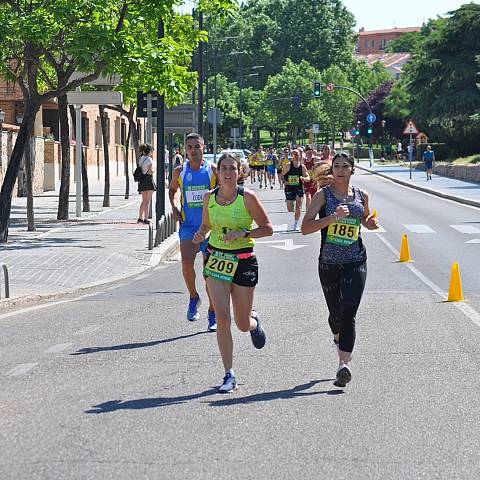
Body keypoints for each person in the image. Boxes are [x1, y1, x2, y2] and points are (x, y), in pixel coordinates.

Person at [193, 153, 273, 393]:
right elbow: (206, 225)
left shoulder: (248, 198)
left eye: (232, 169)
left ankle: (252, 322)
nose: (228, 173)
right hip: (217, 261)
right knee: (222, 319)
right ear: (218, 172)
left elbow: (267, 229)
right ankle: (229, 374)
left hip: (243, 261)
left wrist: (244, 234)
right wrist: (201, 234)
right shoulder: (209, 198)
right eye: (224, 168)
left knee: (240, 323)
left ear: (240, 172)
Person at [301, 153, 379, 388]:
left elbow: (364, 218)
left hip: (356, 260)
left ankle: (343, 365)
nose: (341, 170)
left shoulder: (361, 195)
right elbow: (305, 227)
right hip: (329, 264)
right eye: (337, 166)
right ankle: (338, 337)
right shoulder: (322, 196)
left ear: (353, 170)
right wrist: (333, 217)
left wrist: (370, 223)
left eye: (346, 166)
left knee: (348, 313)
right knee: (336, 316)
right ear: (332, 170)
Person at [169, 133, 218, 331]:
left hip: (210, 227)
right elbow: (172, 190)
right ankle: (193, 297)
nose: (193, 150)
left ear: (203, 148)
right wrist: (173, 207)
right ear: (185, 150)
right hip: (189, 226)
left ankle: (213, 312)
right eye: (190, 147)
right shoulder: (179, 172)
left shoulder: (212, 170)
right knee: (187, 263)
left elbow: (225, 191)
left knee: (210, 274)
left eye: (197, 146)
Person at [281, 149, 310, 231]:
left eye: (297, 155)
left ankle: (296, 224)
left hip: (299, 188)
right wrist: (285, 181)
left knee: (298, 207)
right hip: (289, 188)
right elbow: (282, 175)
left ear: (300, 156)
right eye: (294, 155)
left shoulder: (302, 167)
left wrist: (304, 178)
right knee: (290, 209)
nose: (296, 156)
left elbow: (308, 177)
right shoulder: (288, 165)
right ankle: (289, 201)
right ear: (292, 156)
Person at [137, 143, 156, 224]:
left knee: (143, 201)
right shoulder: (149, 159)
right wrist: (154, 169)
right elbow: (150, 171)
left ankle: (140, 218)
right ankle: (146, 218)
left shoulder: (141, 159)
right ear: (150, 151)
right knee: (147, 201)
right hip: (148, 180)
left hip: (142, 180)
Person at [303, 145, 321, 210]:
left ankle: (313, 211)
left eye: (310, 150)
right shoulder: (303, 160)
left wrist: (317, 166)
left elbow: (323, 161)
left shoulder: (315, 159)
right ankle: (307, 212)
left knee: (314, 197)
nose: (309, 151)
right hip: (306, 181)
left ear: (312, 151)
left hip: (314, 181)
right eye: (307, 150)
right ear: (305, 152)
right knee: (308, 196)